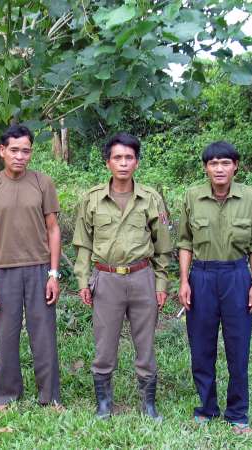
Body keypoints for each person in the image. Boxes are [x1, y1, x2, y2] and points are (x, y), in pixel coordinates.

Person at [72, 132, 172, 420]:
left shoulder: (151, 199)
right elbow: (83, 245)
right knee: (104, 345)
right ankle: (104, 403)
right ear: (108, 163)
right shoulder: (91, 199)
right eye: (117, 157)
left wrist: (161, 283)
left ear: (137, 163)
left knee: (146, 344)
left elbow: (163, 247)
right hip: (106, 279)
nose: (123, 163)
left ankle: (148, 404)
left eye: (129, 157)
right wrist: (83, 281)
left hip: (142, 278)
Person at [177, 141, 252, 435]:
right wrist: (184, 280)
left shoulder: (250, 197)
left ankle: (238, 413)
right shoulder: (192, 196)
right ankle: (207, 407)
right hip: (201, 277)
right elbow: (185, 242)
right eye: (213, 163)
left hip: (237, 276)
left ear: (235, 166)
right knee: (201, 346)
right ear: (205, 167)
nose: (219, 168)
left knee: (238, 347)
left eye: (225, 163)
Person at [0, 124, 62, 409]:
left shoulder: (42, 183)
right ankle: (5, 395)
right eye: (14, 150)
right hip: (4, 271)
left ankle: (49, 397)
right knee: (6, 336)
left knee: (44, 336)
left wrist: (53, 273)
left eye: (25, 151)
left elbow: (53, 230)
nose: (20, 156)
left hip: (39, 269)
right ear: (2, 151)